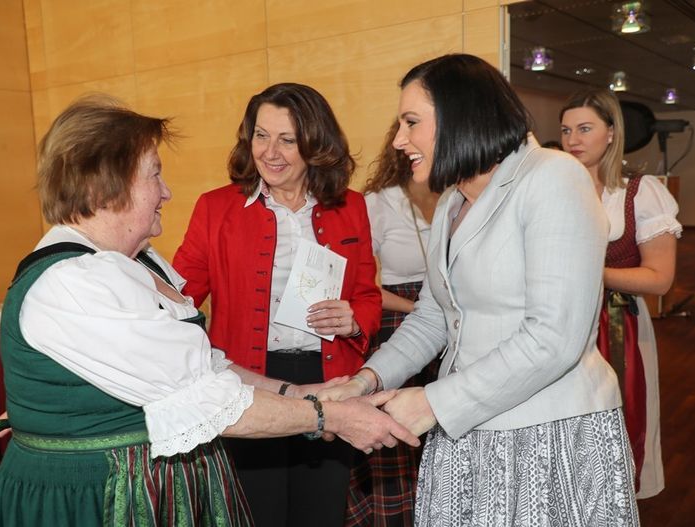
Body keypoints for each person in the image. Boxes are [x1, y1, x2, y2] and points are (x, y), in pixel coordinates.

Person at [0, 94, 417, 527]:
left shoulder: (140, 261)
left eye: (287, 139)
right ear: (105, 188)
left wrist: (302, 393)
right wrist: (330, 414)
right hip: (94, 499)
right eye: (155, 174)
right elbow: (202, 397)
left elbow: (199, 364)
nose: (167, 191)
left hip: (190, 453)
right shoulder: (77, 281)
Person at [319, 54, 640, 526]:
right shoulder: (451, 200)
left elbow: (555, 337)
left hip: (547, 431)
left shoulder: (552, 177)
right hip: (465, 424)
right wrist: (366, 380)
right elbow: (433, 315)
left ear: (460, 116)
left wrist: (432, 401)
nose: (399, 140)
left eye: (411, 122)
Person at [173, 83, 384, 527]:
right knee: (258, 511)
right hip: (250, 382)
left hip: (328, 380)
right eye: (261, 136)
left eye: (287, 139)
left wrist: (353, 319)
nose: (270, 152)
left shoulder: (351, 208)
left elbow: (367, 294)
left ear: (315, 144)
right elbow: (180, 299)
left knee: (321, 511)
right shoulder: (216, 209)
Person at [560, 88, 682, 499]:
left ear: (611, 133)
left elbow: (660, 279)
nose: (573, 139)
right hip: (559, 323)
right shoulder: (555, 190)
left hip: (617, 324)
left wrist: (592, 272)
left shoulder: (638, 192)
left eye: (585, 128)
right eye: (565, 130)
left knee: (617, 424)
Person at [344, 122, 441, 526]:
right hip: (404, 325)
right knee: (401, 445)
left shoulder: (460, 196)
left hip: (456, 327)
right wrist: (419, 308)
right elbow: (364, 286)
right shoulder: (378, 203)